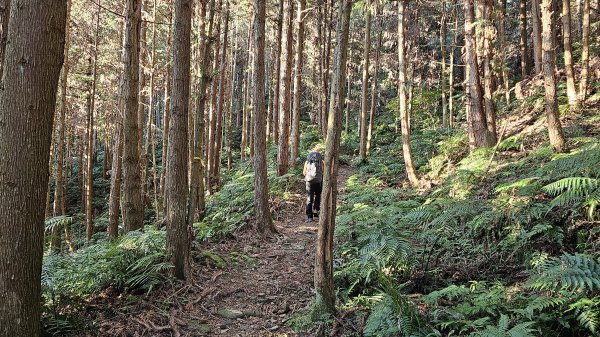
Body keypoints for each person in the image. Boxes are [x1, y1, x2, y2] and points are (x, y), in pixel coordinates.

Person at [303, 147, 324, 222]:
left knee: (309, 198)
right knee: (318, 195)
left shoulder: (307, 162)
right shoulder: (321, 161)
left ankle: (309, 217)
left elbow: (304, 173)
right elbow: (323, 171)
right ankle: (316, 210)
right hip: (318, 181)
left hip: (309, 181)